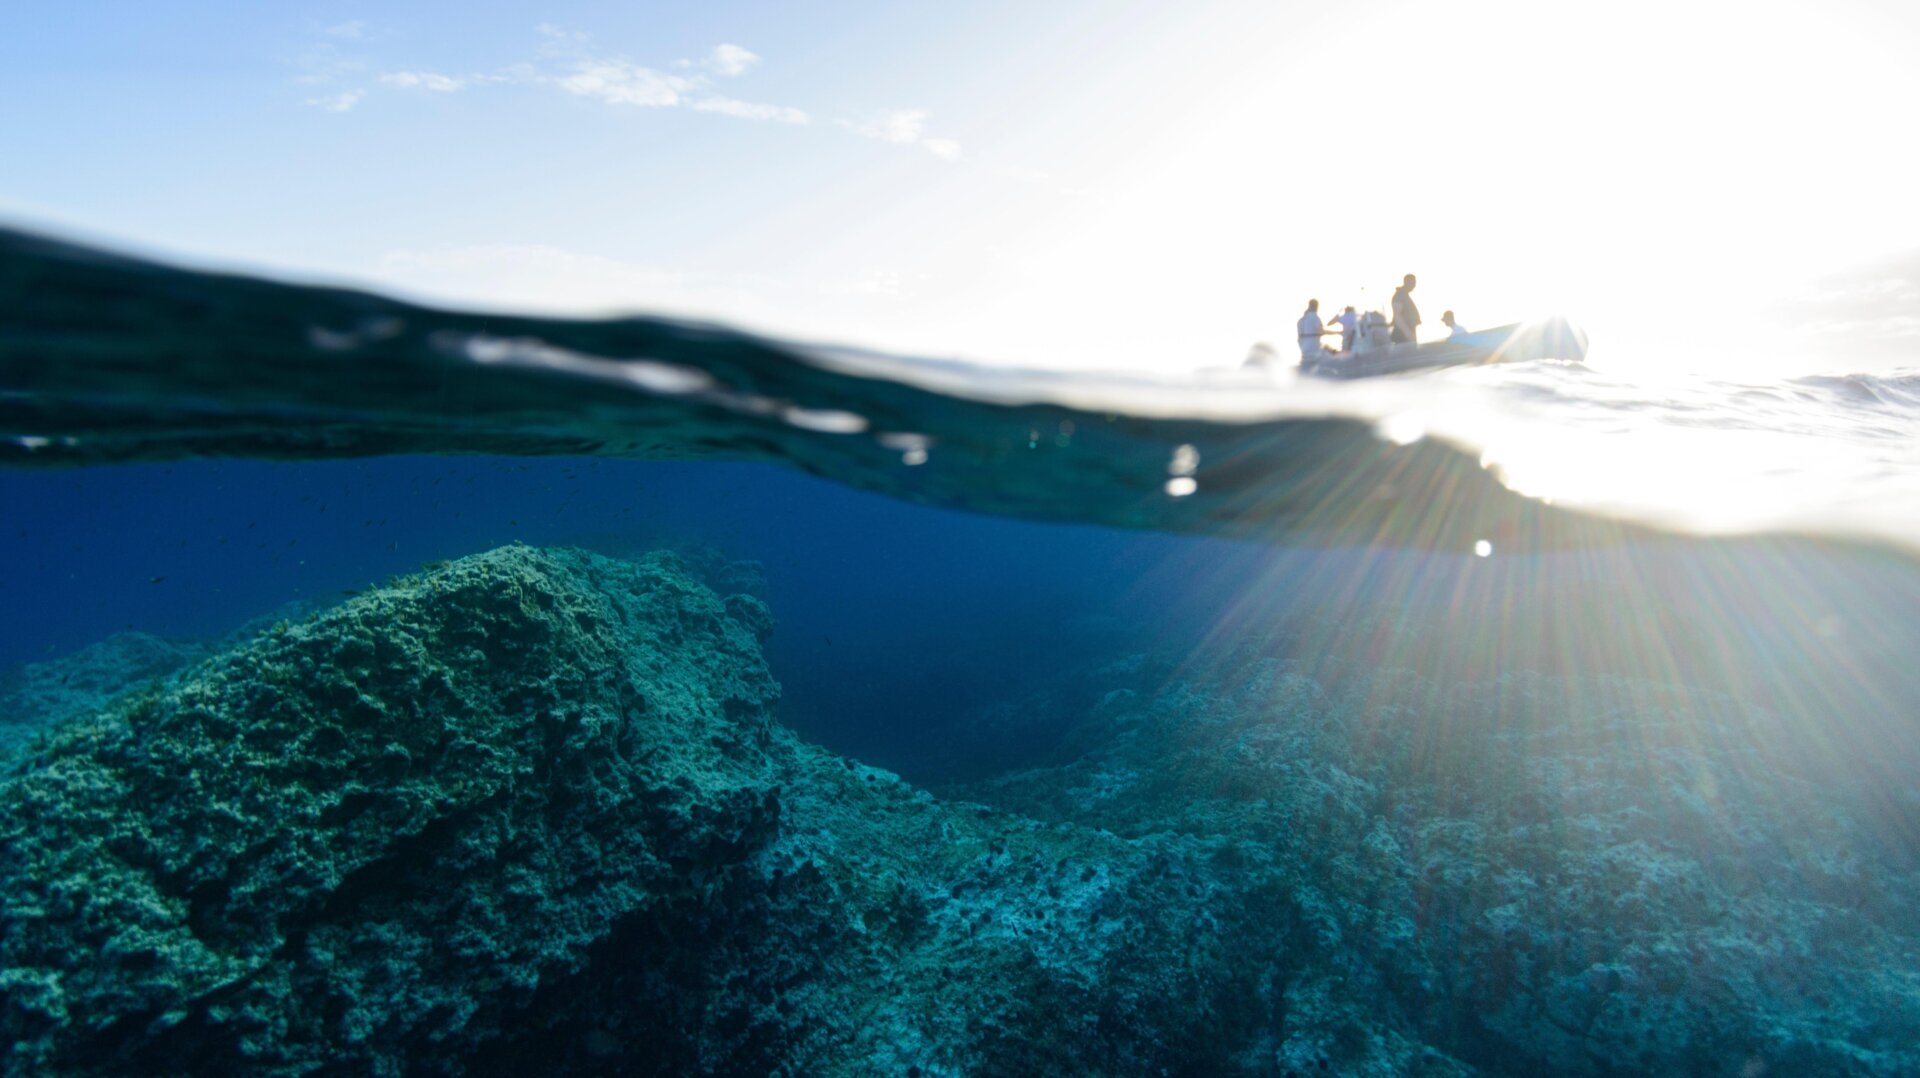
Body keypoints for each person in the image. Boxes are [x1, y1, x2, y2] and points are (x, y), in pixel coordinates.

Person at [1391, 273, 1421, 347]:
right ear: (1407, 282)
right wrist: (1408, 334)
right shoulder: (1400, 295)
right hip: (1402, 337)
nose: (1414, 285)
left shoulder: (1404, 295)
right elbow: (1397, 316)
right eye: (1413, 282)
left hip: (1407, 335)